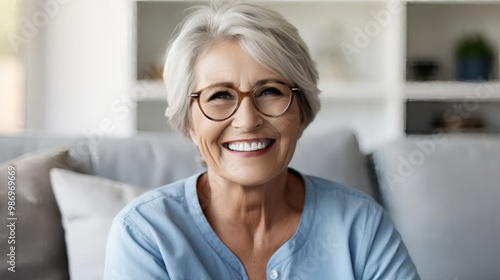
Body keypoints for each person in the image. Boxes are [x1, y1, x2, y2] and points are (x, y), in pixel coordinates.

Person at [104, 2, 420, 279]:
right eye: (219, 96)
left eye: (269, 91)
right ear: (189, 122)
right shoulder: (144, 233)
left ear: (302, 112)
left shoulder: (360, 225)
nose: (247, 120)